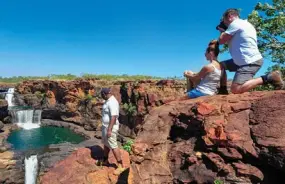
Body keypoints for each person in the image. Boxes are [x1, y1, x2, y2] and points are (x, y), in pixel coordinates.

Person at [217, 8, 284, 94]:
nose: (224, 23)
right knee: (219, 66)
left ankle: (269, 77)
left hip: (249, 61)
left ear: (230, 16)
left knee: (235, 89)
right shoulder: (245, 24)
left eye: (224, 21)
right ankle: (223, 89)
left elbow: (221, 41)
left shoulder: (235, 24)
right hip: (243, 60)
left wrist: (221, 30)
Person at [100, 88, 126, 175]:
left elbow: (114, 117)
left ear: (104, 94)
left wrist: (109, 130)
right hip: (105, 126)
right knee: (106, 143)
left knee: (113, 145)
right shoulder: (107, 100)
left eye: (101, 94)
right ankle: (105, 160)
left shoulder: (112, 102)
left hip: (110, 127)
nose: (101, 96)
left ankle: (121, 166)